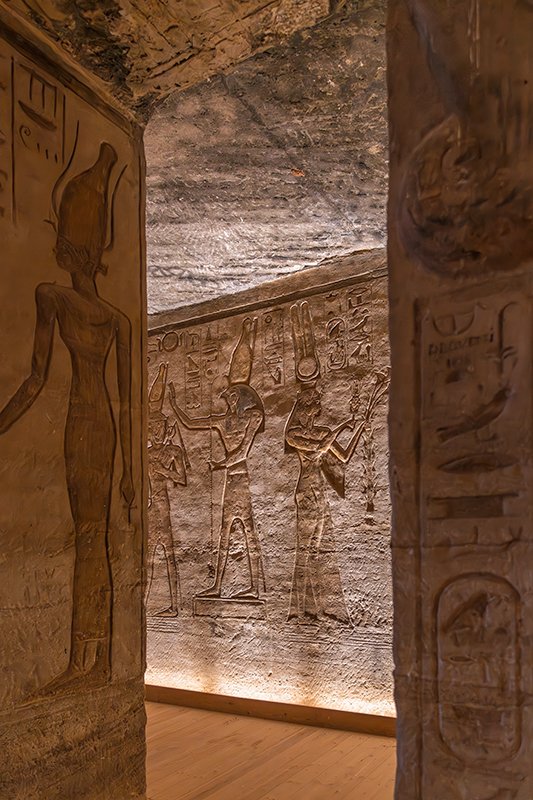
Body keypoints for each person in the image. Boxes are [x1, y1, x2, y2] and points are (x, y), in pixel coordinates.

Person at [0, 142, 133, 693]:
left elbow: (35, 381)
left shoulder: (52, 297)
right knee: (95, 538)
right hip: (104, 426)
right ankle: (96, 661)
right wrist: (130, 473)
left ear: (66, 247)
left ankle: (86, 663)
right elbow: (125, 405)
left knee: (88, 536)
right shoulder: (116, 318)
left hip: (83, 423)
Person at [169, 380, 264, 599]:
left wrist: (220, 464)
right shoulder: (222, 422)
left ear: (243, 398)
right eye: (228, 397)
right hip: (231, 480)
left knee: (249, 532)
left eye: (234, 396)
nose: (230, 401)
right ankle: (218, 586)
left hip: (240, 478)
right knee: (224, 533)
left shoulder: (253, 417)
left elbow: (243, 452)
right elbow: (191, 423)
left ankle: (254, 587)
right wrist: (174, 405)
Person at [146, 409, 187, 616]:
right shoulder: (145, 454)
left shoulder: (173, 451)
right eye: (152, 428)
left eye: (159, 427)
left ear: (165, 429)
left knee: (169, 555)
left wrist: (163, 470)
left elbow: (182, 478)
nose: (156, 432)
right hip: (150, 507)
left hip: (162, 505)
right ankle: (143, 604)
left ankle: (174, 606)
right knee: (148, 559)